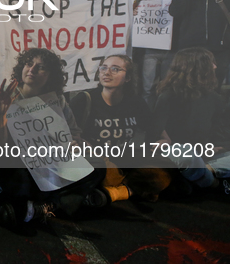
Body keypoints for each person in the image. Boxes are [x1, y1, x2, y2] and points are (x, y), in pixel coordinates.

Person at [0, 49, 103, 226]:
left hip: (52, 161)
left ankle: (48, 206)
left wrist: (75, 143)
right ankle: (45, 203)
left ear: (50, 76)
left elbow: (74, 132)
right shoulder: (3, 97)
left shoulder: (58, 101)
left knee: (97, 165)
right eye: (29, 64)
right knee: (18, 182)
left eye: (40, 67)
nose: (32, 69)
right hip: (19, 163)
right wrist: (0, 115)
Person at [70, 55, 169, 204]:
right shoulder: (85, 99)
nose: (106, 72)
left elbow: (154, 126)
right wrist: (79, 143)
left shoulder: (135, 102)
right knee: (98, 172)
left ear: (128, 77)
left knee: (163, 174)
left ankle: (119, 191)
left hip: (123, 160)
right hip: (96, 161)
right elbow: (67, 131)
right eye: (103, 67)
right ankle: (129, 189)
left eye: (115, 69)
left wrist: (164, 140)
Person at [154, 47, 230, 192]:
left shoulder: (215, 98)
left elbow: (218, 129)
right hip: (178, 152)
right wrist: (163, 140)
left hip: (204, 152)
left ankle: (204, 172)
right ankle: (213, 182)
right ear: (198, 67)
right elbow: (155, 131)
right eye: (211, 63)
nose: (215, 67)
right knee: (187, 157)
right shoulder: (168, 96)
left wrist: (218, 145)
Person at [168, 0, 230, 87]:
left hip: (220, 51)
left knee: (213, 89)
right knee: (187, 88)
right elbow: (175, 11)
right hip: (190, 50)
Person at [140, 0, 178, 108]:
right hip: (150, 51)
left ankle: (163, 118)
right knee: (147, 88)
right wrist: (136, 12)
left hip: (171, 51)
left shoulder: (179, 6)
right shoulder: (145, 5)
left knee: (167, 87)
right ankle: (147, 118)